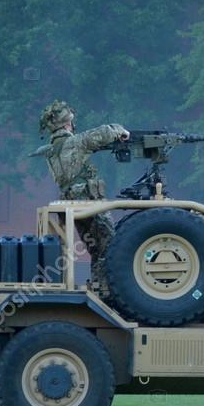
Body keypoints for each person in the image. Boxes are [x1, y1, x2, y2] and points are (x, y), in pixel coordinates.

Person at [36, 100, 129, 290]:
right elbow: (104, 133)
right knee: (110, 245)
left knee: (95, 246)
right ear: (68, 123)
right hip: (89, 202)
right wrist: (122, 131)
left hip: (72, 203)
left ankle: (99, 284)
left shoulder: (51, 149)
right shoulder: (74, 142)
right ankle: (108, 288)